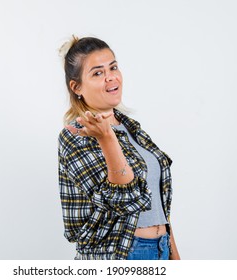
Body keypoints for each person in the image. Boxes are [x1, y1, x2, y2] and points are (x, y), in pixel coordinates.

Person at [57, 36, 180, 260]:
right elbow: (125, 199)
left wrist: (175, 258)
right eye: (97, 73)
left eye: (113, 67)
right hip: (120, 255)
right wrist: (107, 139)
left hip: (161, 248)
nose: (111, 77)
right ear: (76, 87)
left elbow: (161, 206)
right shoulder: (75, 136)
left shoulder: (133, 129)